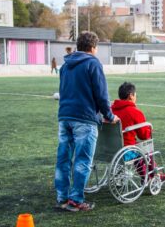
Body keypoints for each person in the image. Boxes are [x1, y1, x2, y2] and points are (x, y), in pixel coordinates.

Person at [54, 31, 119, 212]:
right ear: (93, 47)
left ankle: (62, 197)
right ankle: (76, 200)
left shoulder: (65, 66)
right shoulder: (92, 63)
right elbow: (101, 94)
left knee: (63, 160)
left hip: (64, 116)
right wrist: (109, 115)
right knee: (82, 160)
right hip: (84, 118)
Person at [111, 82, 165, 182]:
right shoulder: (134, 112)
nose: (136, 97)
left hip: (109, 150)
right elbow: (144, 136)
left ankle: (147, 176)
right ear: (131, 95)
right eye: (135, 95)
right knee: (146, 147)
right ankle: (153, 176)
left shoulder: (110, 110)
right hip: (126, 151)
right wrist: (149, 130)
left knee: (137, 146)